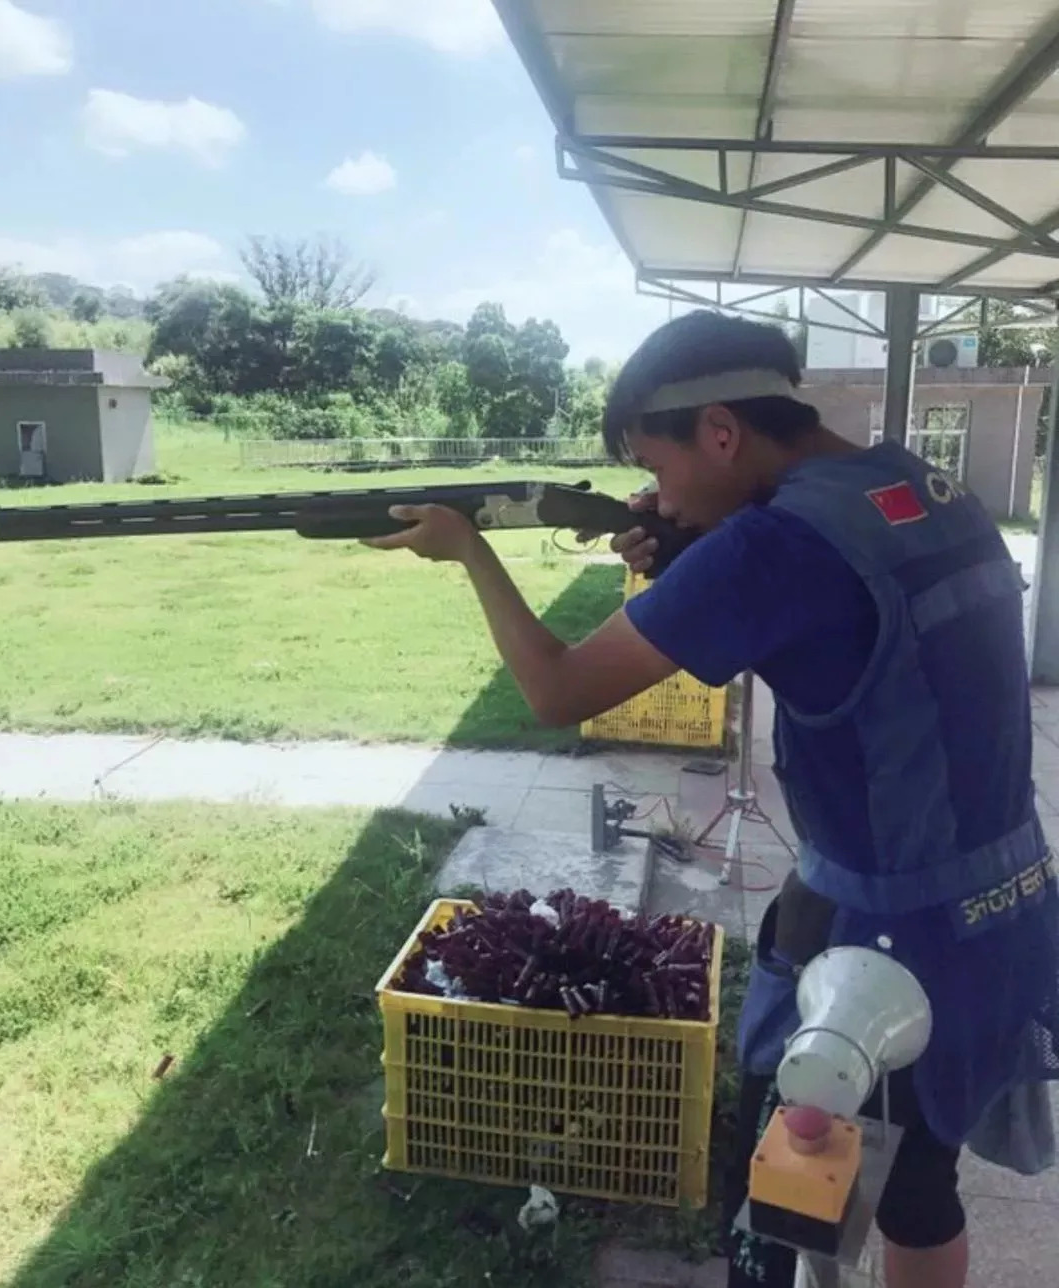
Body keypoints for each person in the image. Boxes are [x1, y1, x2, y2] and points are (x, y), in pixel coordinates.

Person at [365, 310, 1059, 1288]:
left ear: (723, 433)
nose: (658, 492)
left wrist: (470, 549)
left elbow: (557, 691)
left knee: (785, 1206)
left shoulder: (769, 550)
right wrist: (689, 569)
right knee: (917, 1186)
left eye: (662, 463)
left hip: (881, 952)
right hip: (1006, 911)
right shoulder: (923, 486)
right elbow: (852, 642)